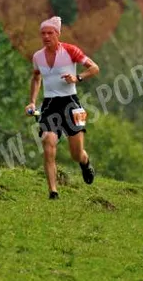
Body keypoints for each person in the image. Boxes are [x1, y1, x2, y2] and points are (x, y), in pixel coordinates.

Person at [25, 16, 100, 200]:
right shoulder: (38, 56)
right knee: (48, 143)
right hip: (50, 104)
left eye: (50, 33)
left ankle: (85, 162)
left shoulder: (70, 51)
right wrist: (33, 101)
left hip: (71, 104)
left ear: (57, 34)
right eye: (43, 33)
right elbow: (36, 78)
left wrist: (78, 78)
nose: (46, 36)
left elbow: (94, 68)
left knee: (76, 153)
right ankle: (53, 191)